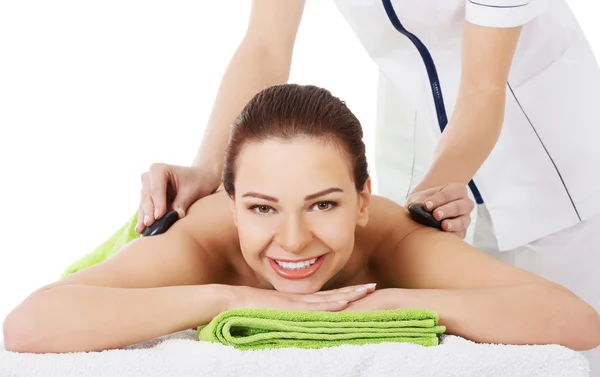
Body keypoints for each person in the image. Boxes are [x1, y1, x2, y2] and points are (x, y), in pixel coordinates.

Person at [134, 1, 600, 371]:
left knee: (558, 344)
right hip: (414, 118)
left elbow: (482, 90)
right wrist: (208, 166)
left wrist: (432, 197)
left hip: (546, 145)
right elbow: (265, 46)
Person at [4, 84, 600, 355]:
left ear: (364, 200)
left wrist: (393, 304)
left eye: (324, 204)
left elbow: (575, 321)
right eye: (262, 208)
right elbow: (29, 326)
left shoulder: (392, 238)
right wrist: (228, 302)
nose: (292, 239)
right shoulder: (206, 241)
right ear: (232, 203)